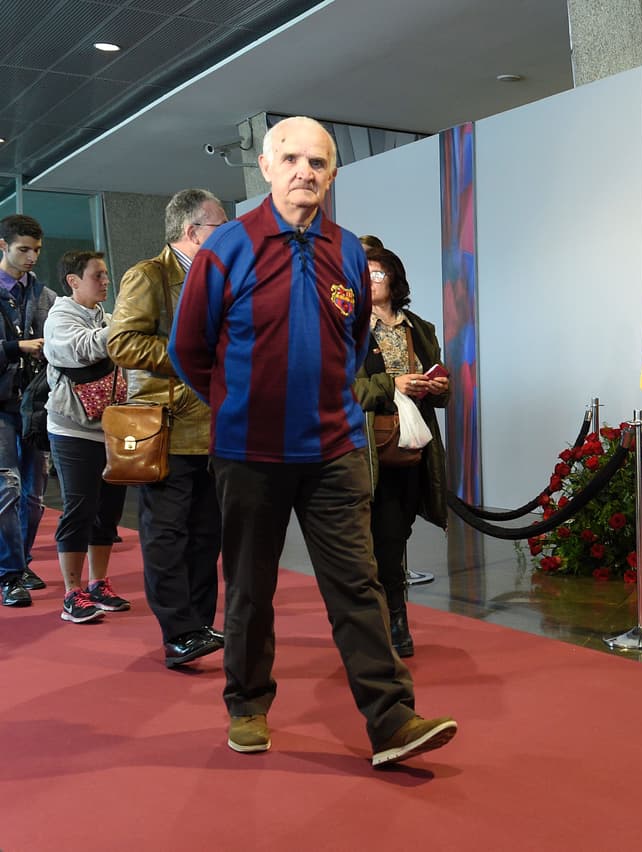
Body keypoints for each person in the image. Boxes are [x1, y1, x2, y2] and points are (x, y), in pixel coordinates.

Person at [169, 116, 457, 766]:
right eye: (292, 158)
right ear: (268, 169)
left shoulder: (349, 251)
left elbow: (352, 348)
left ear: (330, 175)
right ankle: (247, 704)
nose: (305, 171)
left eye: (319, 162)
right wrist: (236, 404)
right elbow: (188, 349)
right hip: (248, 452)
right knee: (250, 584)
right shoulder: (226, 250)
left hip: (333, 453)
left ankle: (391, 722)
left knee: (357, 586)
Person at [107, 189, 227, 665]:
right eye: (221, 225)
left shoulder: (217, 278)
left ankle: (198, 625)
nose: (230, 233)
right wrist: (189, 360)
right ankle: (179, 630)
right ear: (192, 231)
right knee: (166, 533)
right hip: (168, 426)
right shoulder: (149, 275)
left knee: (206, 533)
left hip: (215, 428)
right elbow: (122, 343)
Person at [354, 245, 450, 658]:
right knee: (383, 541)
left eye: (377, 274)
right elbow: (343, 390)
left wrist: (438, 388)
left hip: (414, 447)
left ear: (394, 279)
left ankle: (388, 616)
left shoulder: (420, 328)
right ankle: (392, 621)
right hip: (368, 450)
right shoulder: (348, 329)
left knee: (397, 534)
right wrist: (393, 386)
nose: (370, 281)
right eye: (364, 274)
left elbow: (439, 390)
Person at [43, 250, 131, 623]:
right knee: (79, 508)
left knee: (108, 511)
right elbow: (82, 349)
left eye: (107, 275)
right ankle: (71, 593)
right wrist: (125, 325)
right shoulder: (60, 318)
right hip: (71, 430)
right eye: (98, 275)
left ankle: (99, 584)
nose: (106, 282)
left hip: (110, 429)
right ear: (74, 281)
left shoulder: (105, 317)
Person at [0, 214, 54, 607]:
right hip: (0, 406)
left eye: (36, 249)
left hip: (36, 406)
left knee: (34, 497)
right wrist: (16, 347)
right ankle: (10, 572)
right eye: (23, 249)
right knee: (8, 488)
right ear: (3, 246)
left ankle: (21, 561)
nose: (32, 256)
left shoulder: (46, 296)